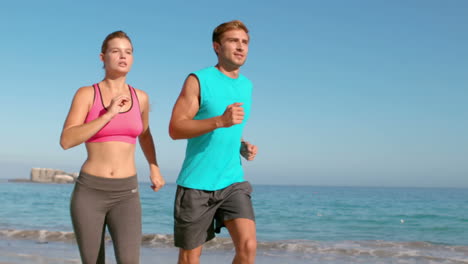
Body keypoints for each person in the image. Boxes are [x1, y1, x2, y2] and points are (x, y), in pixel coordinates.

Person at [60, 30, 165, 264]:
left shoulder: (141, 98)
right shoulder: (87, 94)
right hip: (90, 192)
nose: (122, 56)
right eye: (115, 51)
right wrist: (108, 115)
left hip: (126, 192)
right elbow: (67, 140)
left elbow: (145, 135)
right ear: (102, 57)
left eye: (128, 52)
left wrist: (154, 167)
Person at [169, 20, 258, 264]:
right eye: (233, 41)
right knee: (190, 258)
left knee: (248, 247)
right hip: (196, 183)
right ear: (217, 47)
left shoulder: (246, 86)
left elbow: (230, 128)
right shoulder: (198, 80)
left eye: (245, 42)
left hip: (232, 181)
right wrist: (219, 120)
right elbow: (175, 128)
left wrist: (241, 145)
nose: (240, 47)